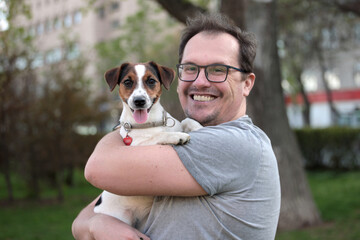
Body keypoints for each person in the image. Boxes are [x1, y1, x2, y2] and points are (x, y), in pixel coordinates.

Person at [72, 12, 281, 240]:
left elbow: (97, 169)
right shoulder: (179, 136)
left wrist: (125, 129)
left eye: (218, 70)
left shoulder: (235, 144)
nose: (200, 82)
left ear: (247, 83)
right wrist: (97, 223)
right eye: (190, 68)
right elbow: (87, 215)